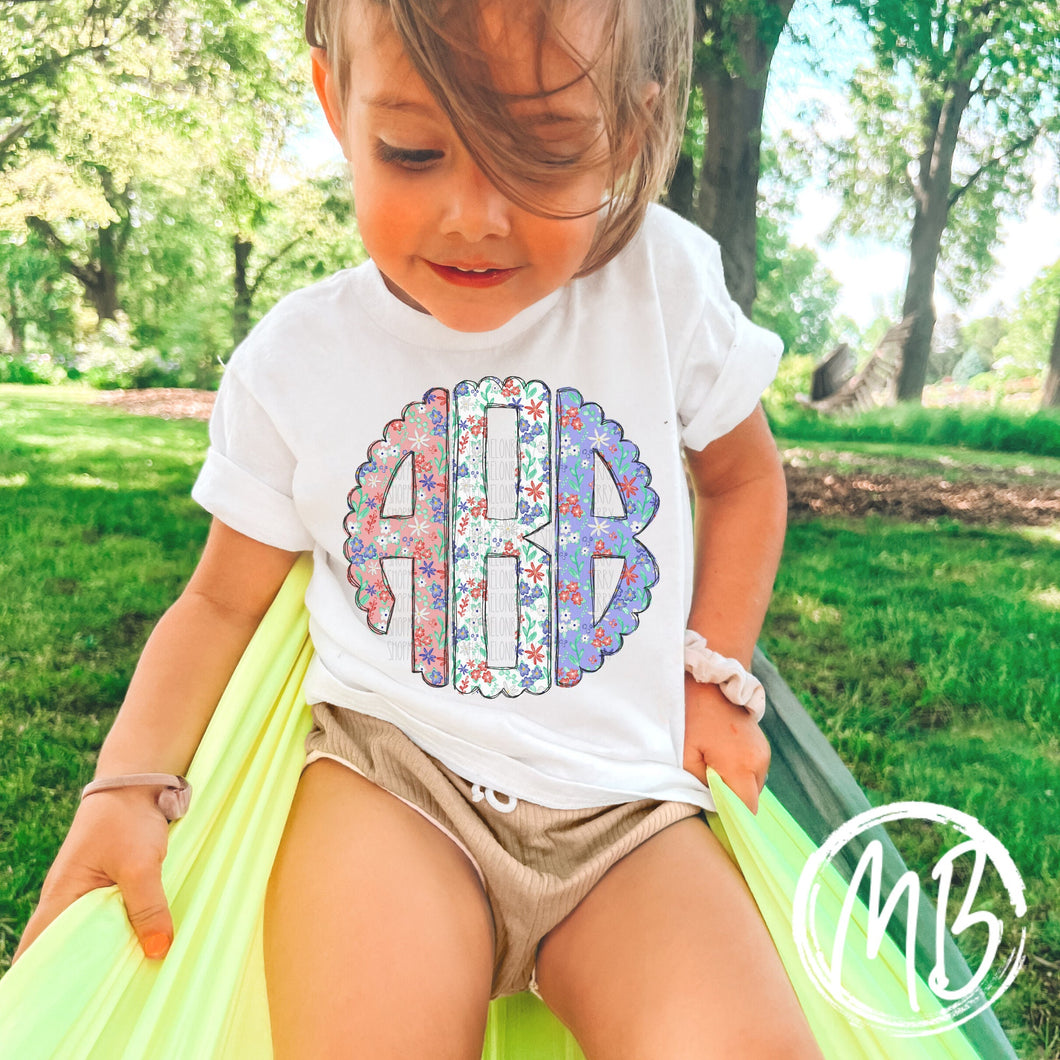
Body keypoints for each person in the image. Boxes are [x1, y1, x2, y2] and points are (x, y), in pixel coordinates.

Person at [15, 1, 824, 1056]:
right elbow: (216, 602)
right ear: (335, 105)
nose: (473, 212)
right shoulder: (299, 361)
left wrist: (709, 675)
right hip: (395, 784)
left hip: (628, 810)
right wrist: (123, 786)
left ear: (626, 130)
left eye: (538, 153)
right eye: (412, 151)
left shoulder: (659, 285)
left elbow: (744, 480)